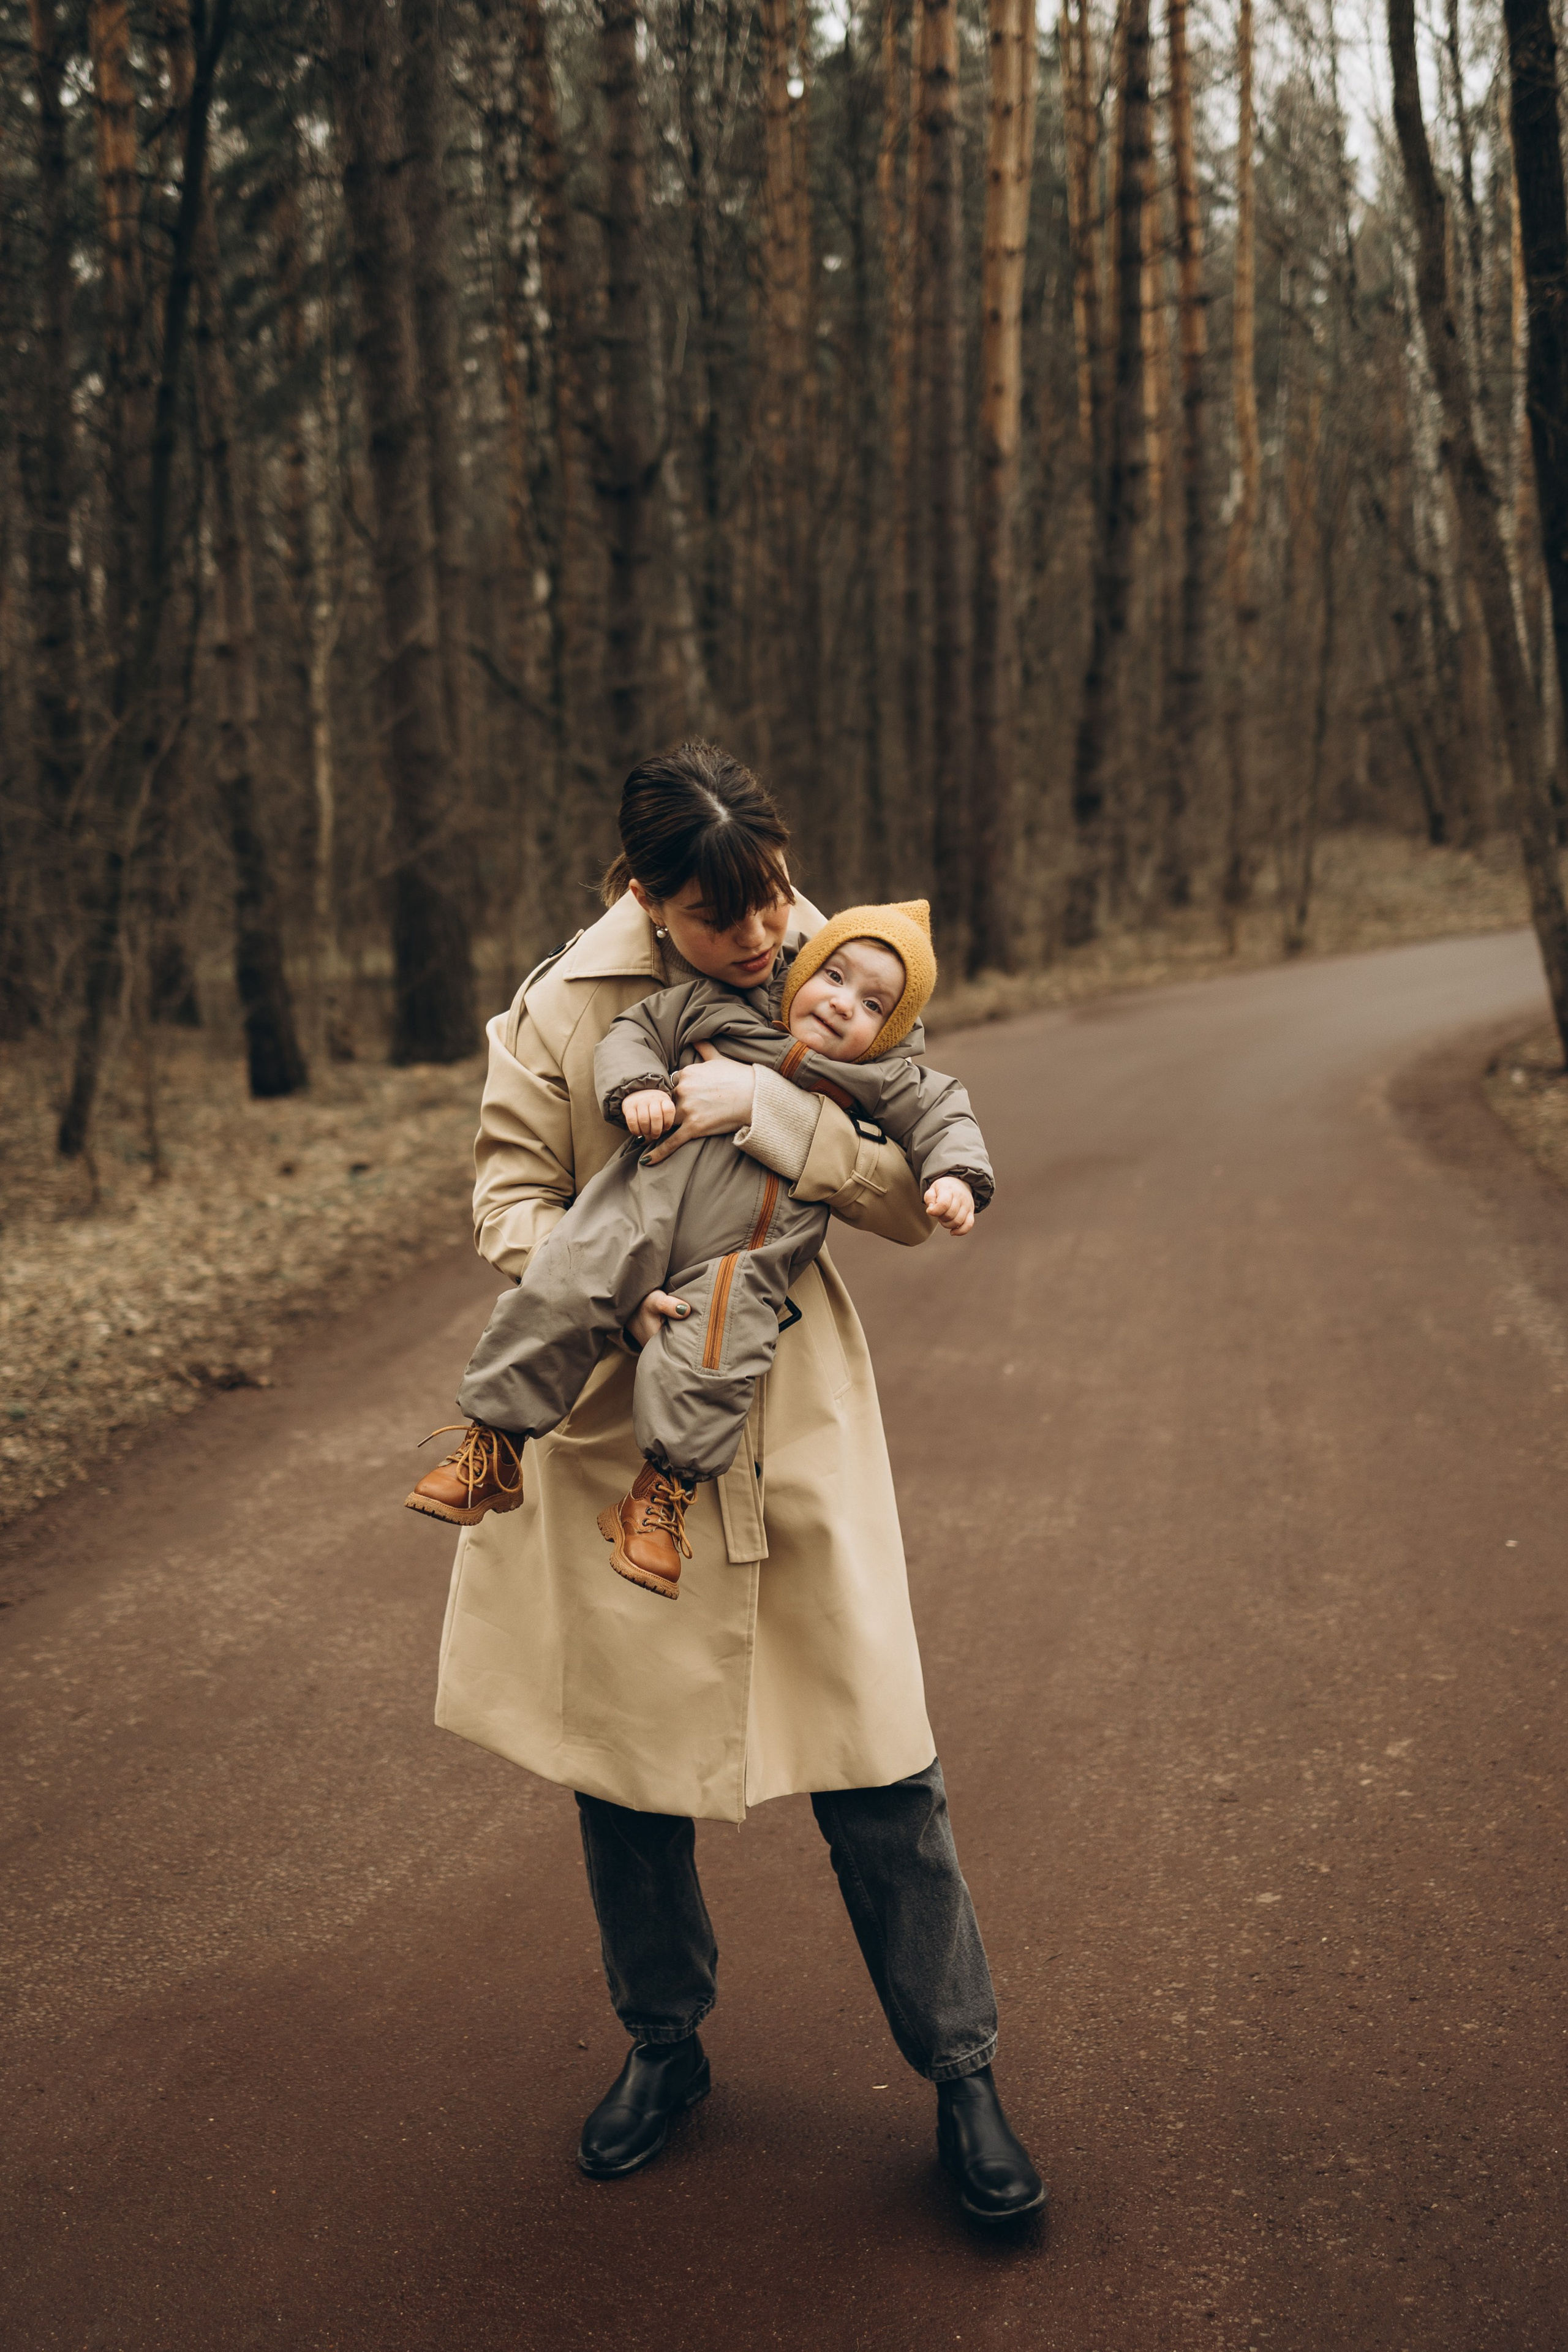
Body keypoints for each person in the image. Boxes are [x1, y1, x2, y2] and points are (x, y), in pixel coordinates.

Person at [432, 742, 1045, 2224]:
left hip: (792, 1410)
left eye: (771, 897)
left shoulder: (838, 966)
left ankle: (962, 2069)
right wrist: (614, 1290)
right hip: (617, 1401)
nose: (765, 939)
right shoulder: (556, 1011)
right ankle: (664, 2045)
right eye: (726, 922)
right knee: (625, 1767)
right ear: (647, 899)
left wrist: (771, 1115)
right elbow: (506, 1202)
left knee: (880, 1759)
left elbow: (909, 1192)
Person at [407, 899, 993, 1607]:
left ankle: (661, 1496)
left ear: (890, 1030)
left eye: (873, 1004)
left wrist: (954, 1177)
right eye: (833, 978)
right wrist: (638, 1087)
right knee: (562, 1286)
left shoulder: (879, 1077)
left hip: (747, 1257)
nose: (842, 1005)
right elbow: (635, 1031)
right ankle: (494, 1442)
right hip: (634, 1211)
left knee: (718, 1352)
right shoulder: (715, 1004)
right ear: (804, 970)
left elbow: (944, 1115)